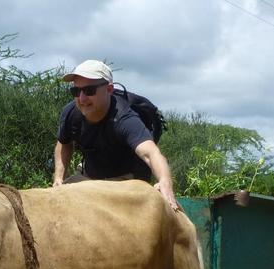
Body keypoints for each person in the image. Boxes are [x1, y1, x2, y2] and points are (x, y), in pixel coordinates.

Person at [53, 59, 179, 211]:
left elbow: (150, 153)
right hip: (89, 179)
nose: (82, 98)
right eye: (76, 91)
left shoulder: (125, 118)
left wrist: (165, 182)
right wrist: (59, 178)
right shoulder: (71, 113)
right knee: (55, 202)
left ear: (109, 89)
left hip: (124, 182)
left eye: (89, 91)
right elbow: (64, 143)